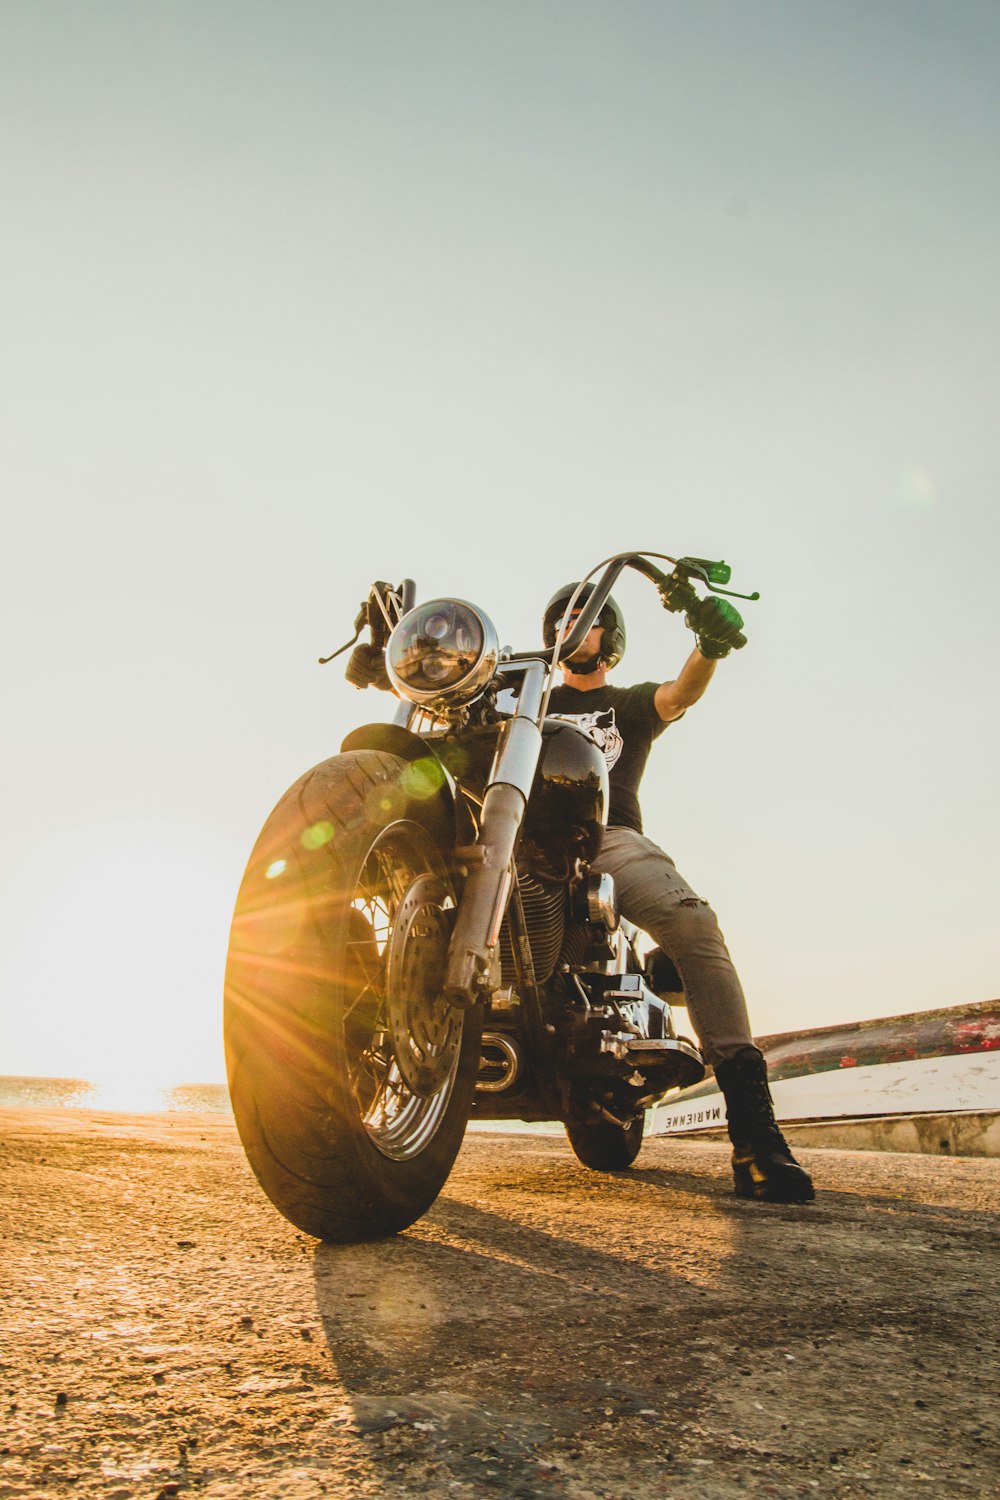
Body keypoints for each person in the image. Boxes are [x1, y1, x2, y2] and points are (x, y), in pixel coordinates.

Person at [544, 581, 814, 1204]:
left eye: (582, 617)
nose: (568, 625)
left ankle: (755, 1135)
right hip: (514, 841)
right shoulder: (525, 698)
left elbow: (679, 692)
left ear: (608, 637)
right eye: (559, 617)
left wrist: (710, 646)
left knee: (693, 926)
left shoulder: (626, 703)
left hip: (605, 836)